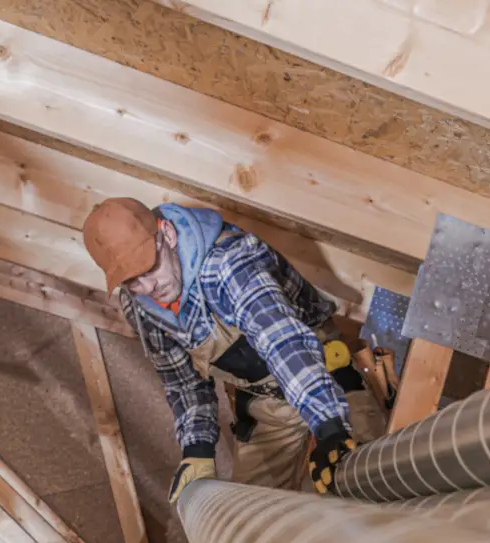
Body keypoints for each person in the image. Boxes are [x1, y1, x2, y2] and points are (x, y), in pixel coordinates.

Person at [82, 198, 384, 502]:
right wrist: (196, 450)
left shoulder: (229, 264)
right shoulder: (141, 310)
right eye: (133, 281)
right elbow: (183, 382)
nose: (149, 287)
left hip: (323, 381)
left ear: (167, 234)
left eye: (149, 268)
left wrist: (330, 428)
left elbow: (283, 344)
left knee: (370, 491)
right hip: (266, 406)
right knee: (252, 522)